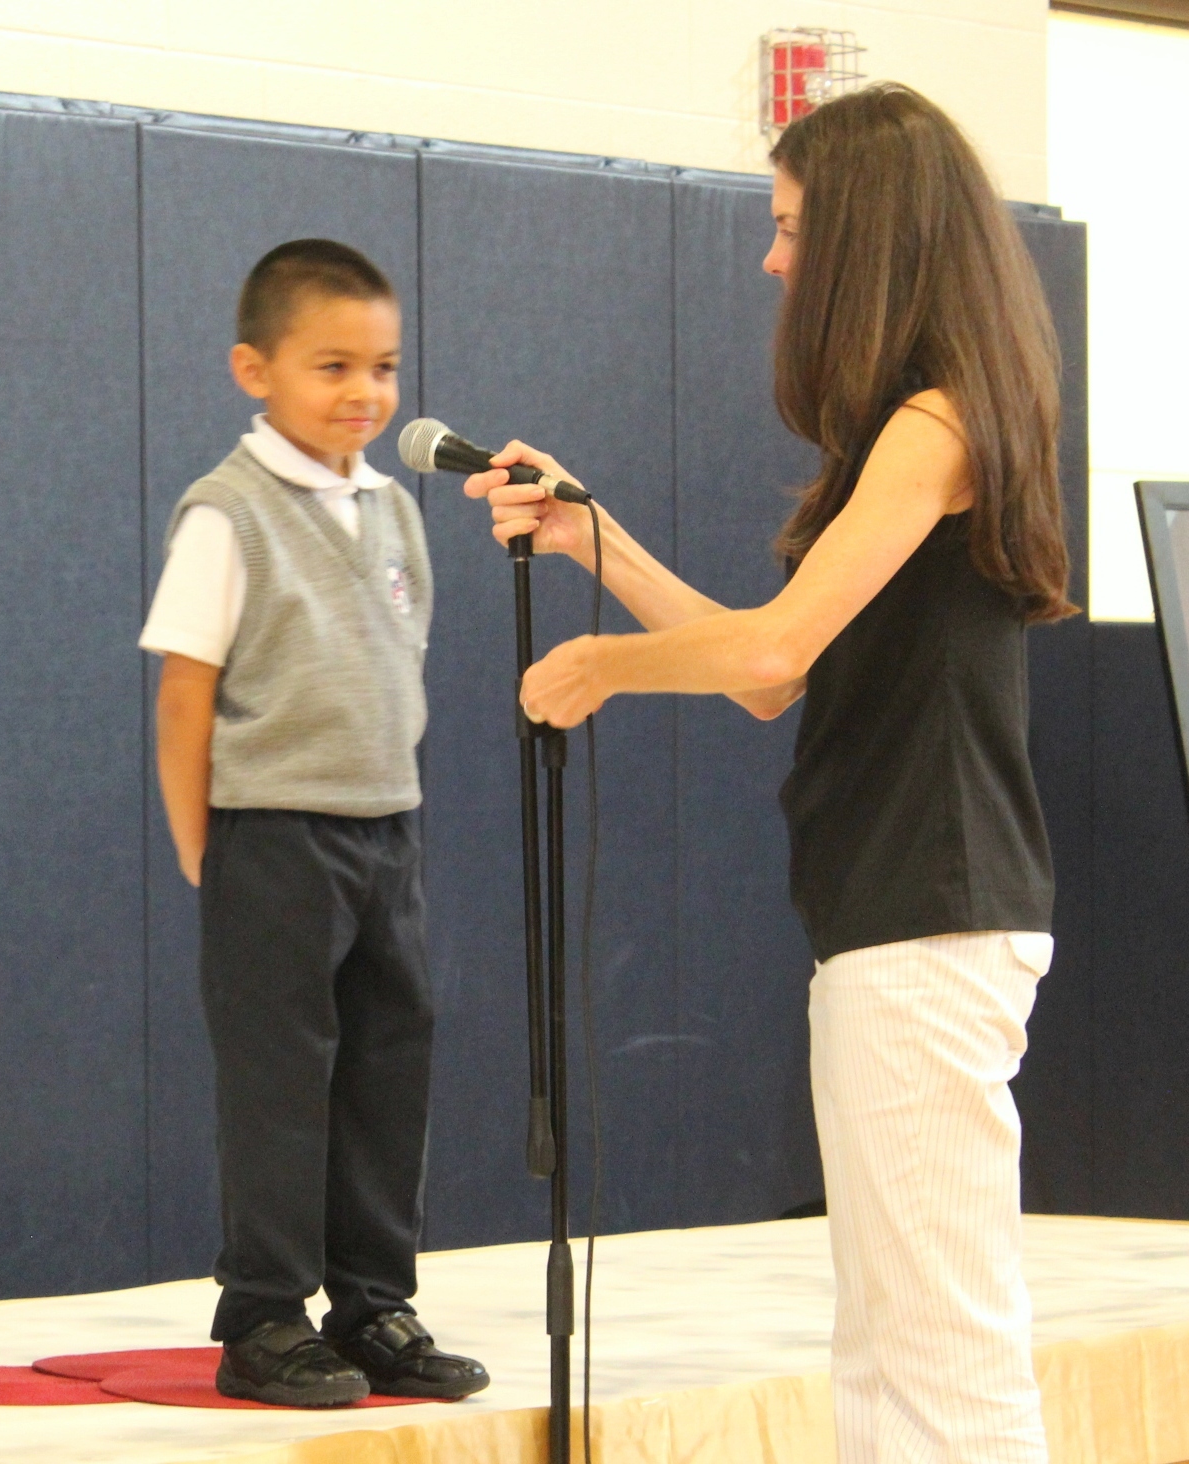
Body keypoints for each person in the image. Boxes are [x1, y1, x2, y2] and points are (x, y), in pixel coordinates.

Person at [466, 85, 1070, 1463]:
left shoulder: (938, 426)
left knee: (939, 1354)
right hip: (893, 920)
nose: (772, 258)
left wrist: (603, 666)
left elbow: (777, 640)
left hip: (932, 916)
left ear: (866, 235)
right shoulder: (907, 434)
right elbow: (769, 677)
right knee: (890, 1341)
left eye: (791, 226)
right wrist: (592, 541)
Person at [140, 239, 488, 1408]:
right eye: (332, 366)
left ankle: (373, 1303)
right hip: (273, 838)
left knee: (390, 1065)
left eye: (383, 368)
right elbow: (186, 690)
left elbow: (404, 659)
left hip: (386, 833)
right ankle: (265, 1318)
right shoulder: (226, 514)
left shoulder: (391, 505)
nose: (365, 394)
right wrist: (205, 845)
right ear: (256, 368)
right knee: (281, 1081)